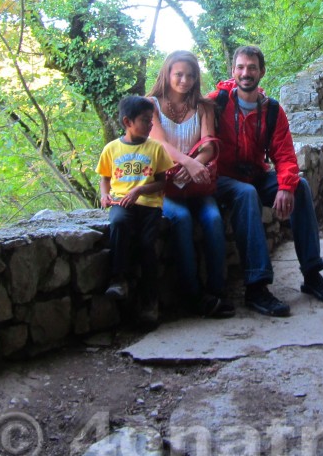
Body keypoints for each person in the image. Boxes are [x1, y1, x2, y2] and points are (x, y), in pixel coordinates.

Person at [210, 45, 323, 317]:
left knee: (300, 186)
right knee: (246, 193)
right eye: (241, 67)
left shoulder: (271, 110)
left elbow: (284, 154)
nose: (246, 73)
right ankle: (256, 287)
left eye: (252, 68)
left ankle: (312, 274)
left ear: (262, 72)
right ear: (233, 71)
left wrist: (285, 186)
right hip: (222, 180)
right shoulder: (217, 103)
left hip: (255, 175)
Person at [148, 50, 235, 318]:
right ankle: (193, 295)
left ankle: (217, 291)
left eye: (190, 75)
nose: (184, 80)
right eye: (179, 74)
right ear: (167, 74)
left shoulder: (203, 106)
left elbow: (209, 144)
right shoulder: (150, 105)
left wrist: (195, 164)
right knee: (182, 219)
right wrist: (189, 163)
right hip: (164, 185)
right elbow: (160, 144)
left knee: (212, 218)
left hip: (196, 183)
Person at [96, 95, 175, 326]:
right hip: (122, 203)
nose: (150, 124)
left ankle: (150, 302)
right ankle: (118, 278)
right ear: (127, 122)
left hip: (149, 205)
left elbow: (162, 182)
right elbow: (105, 176)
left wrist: (140, 190)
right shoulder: (112, 148)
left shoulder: (156, 148)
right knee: (118, 224)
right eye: (145, 120)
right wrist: (104, 194)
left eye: (151, 120)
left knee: (146, 245)